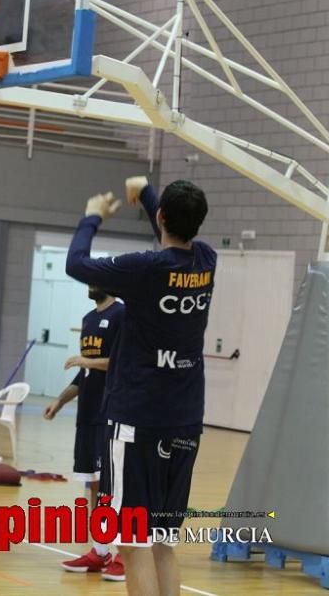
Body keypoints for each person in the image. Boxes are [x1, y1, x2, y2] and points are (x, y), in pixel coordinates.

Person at [65, 176, 215, 596]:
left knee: (132, 542)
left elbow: (76, 265)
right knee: (163, 543)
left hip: (138, 421)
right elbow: (171, 231)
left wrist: (92, 217)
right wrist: (147, 193)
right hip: (185, 423)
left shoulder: (145, 270)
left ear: (162, 217)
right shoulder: (206, 260)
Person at [44, 286, 125, 580]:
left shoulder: (121, 315)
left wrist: (85, 361)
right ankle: (100, 551)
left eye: (95, 279)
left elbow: (121, 362)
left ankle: (125, 555)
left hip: (111, 414)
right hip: (87, 416)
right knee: (93, 485)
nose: (89, 285)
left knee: (113, 487)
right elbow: (85, 374)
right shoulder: (89, 318)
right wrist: (59, 401)